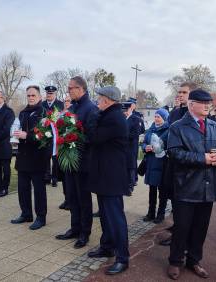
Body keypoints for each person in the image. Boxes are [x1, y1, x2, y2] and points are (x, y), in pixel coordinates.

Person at [166, 89, 216, 280]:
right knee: (182, 227)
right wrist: (201, 158)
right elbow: (175, 154)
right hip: (186, 186)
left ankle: (194, 260)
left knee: (200, 228)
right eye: (203, 103)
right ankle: (175, 261)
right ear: (191, 104)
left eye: (209, 103)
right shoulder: (177, 127)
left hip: (208, 186)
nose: (207, 106)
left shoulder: (215, 127)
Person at [86, 86, 130, 275]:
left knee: (115, 217)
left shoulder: (114, 118)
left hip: (111, 176)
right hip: (104, 174)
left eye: (100, 97)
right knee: (105, 214)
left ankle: (122, 257)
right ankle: (107, 246)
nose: (97, 100)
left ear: (107, 100)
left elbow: (94, 137)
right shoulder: (108, 115)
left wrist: (93, 118)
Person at [55, 76, 98, 249]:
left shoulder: (91, 109)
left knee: (83, 199)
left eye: (71, 88)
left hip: (83, 161)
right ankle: (74, 228)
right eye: (68, 88)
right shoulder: (72, 107)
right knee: (71, 196)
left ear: (81, 89)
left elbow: (92, 136)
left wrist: (74, 139)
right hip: (69, 159)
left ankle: (84, 233)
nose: (68, 91)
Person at [160, 81, 198, 246]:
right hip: (172, 163)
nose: (180, 95)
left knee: (186, 206)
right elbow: (168, 132)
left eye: (184, 92)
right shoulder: (175, 113)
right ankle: (177, 230)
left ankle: (185, 236)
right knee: (174, 200)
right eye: (179, 92)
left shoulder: (196, 115)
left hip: (188, 166)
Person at [11, 86, 49, 230]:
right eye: (28, 95)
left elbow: (45, 135)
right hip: (23, 155)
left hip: (37, 156)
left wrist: (28, 136)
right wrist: (15, 137)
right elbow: (19, 129)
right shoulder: (22, 113)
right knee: (22, 187)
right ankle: (26, 213)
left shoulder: (44, 113)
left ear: (40, 96)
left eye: (33, 95)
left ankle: (41, 217)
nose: (31, 97)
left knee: (39, 189)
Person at [141, 108, 169, 224]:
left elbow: (169, 146)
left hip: (162, 164)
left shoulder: (168, 130)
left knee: (162, 191)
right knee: (151, 190)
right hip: (151, 163)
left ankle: (161, 214)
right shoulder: (151, 129)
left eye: (159, 117)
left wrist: (159, 148)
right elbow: (143, 142)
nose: (156, 119)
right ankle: (150, 213)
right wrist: (145, 147)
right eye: (156, 116)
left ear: (164, 118)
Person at [42, 85, 65, 187]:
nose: (49, 95)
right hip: (45, 135)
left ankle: (55, 178)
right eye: (47, 93)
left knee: (55, 157)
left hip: (56, 134)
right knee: (45, 157)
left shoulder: (60, 104)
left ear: (55, 94)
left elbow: (63, 119)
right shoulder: (42, 104)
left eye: (51, 93)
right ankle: (47, 177)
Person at [122, 101, 143, 195]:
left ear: (130, 109)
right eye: (123, 110)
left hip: (131, 146)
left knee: (131, 166)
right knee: (123, 166)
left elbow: (136, 133)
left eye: (126, 110)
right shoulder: (122, 118)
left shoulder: (136, 119)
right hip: (122, 147)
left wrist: (122, 136)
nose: (125, 112)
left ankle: (130, 186)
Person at [58, 96, 72, 210]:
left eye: (69, 101)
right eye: (65, 101)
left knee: (69, 177)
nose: (66, 103)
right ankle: (67, 199)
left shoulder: (74, 113)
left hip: (70, 149)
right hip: (61, 147)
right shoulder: (60, 113)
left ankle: (71, 200)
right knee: (63, 176)